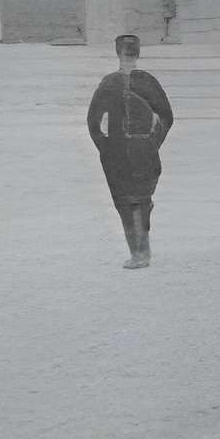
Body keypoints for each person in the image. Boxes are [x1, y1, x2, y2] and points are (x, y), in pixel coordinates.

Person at [85, 32, 173, 269]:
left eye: (131, 53)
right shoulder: (110, 82)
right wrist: (107, 147)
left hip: (136, 152)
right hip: (122, 152)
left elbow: (165, 116)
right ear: (119, 54)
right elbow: (94, 121)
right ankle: (138, 252)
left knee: (137, 201)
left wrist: (151, 143)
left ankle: (140, 254)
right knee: (130, 202)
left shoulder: (145, 81)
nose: (128, 57)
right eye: (126, 53)